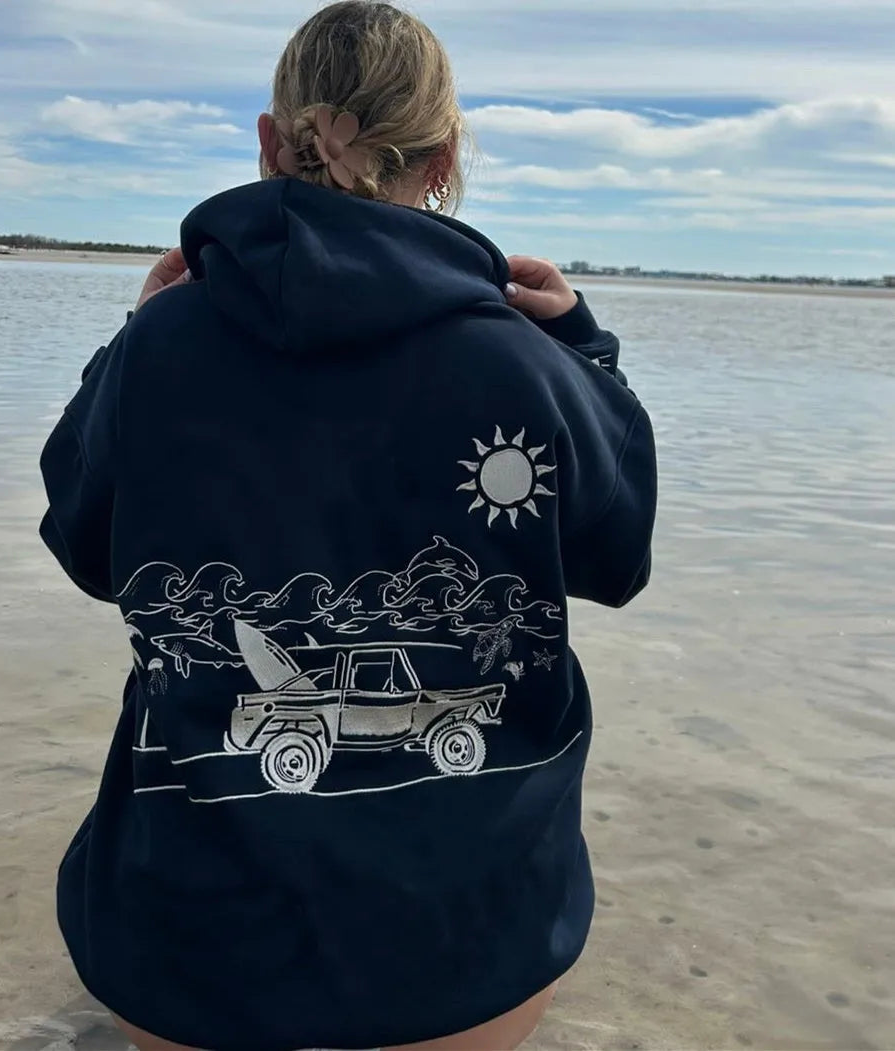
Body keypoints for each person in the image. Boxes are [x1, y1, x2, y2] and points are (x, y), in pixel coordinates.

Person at [39, 3, 656, 1050]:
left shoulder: (161, 350)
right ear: (446, 156)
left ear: (272, 143)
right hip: (468, 944)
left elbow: (86, 549)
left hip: (189, 942)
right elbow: (613, 556)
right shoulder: (528, 363)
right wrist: (585, 355)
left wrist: (130, 341)